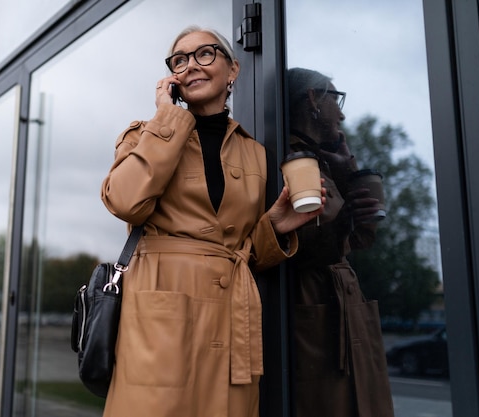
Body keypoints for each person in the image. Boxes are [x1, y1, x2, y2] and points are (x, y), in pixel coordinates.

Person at [100, 27, 324, 417]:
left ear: (232, 69)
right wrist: (167, 117)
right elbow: (124, 201)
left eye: (205, 54)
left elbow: (241, 251)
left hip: (231, 317)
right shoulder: (144, 135)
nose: (191, 66)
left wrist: (275, 226)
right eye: (180, 60)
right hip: (161, 306)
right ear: (171, 77)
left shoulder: (255, 153)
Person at [286, 67, 394, 417]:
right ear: (314, 99)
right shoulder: (290, 160)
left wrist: (348, 169)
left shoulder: (326, 162)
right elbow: (294, 244)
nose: (343, 112)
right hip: (316, 302)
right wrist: (341, 221)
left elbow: (362, 237)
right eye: (336, 97)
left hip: (344, 302)